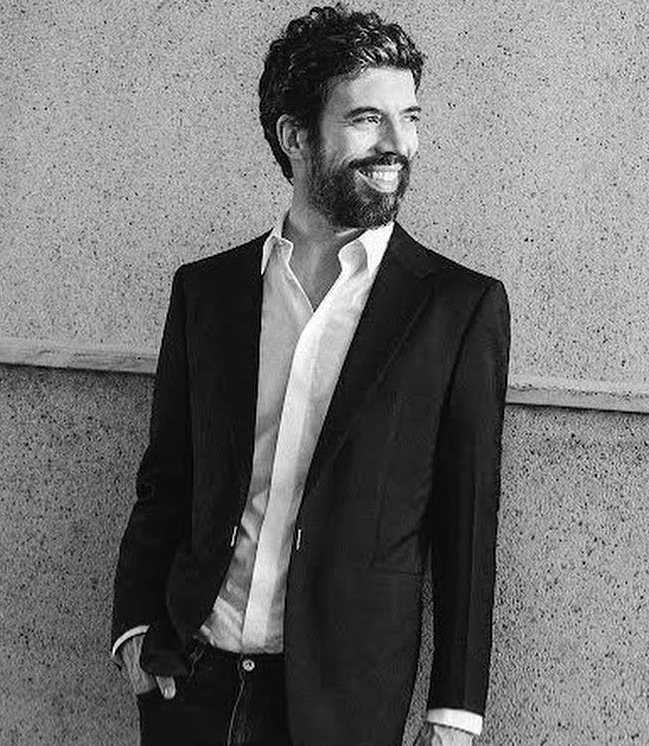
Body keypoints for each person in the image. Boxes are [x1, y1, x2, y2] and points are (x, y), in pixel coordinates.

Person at [111, 5, 510, 745]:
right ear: (295, 136)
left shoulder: (456, 309)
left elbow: (467, 525)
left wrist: (455, 712)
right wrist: (135, 622)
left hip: (342, 704)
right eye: (367, 119)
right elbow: (167, 477)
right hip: (190, 683)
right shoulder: (208, 292)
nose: (398, 145)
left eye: (409, 118)